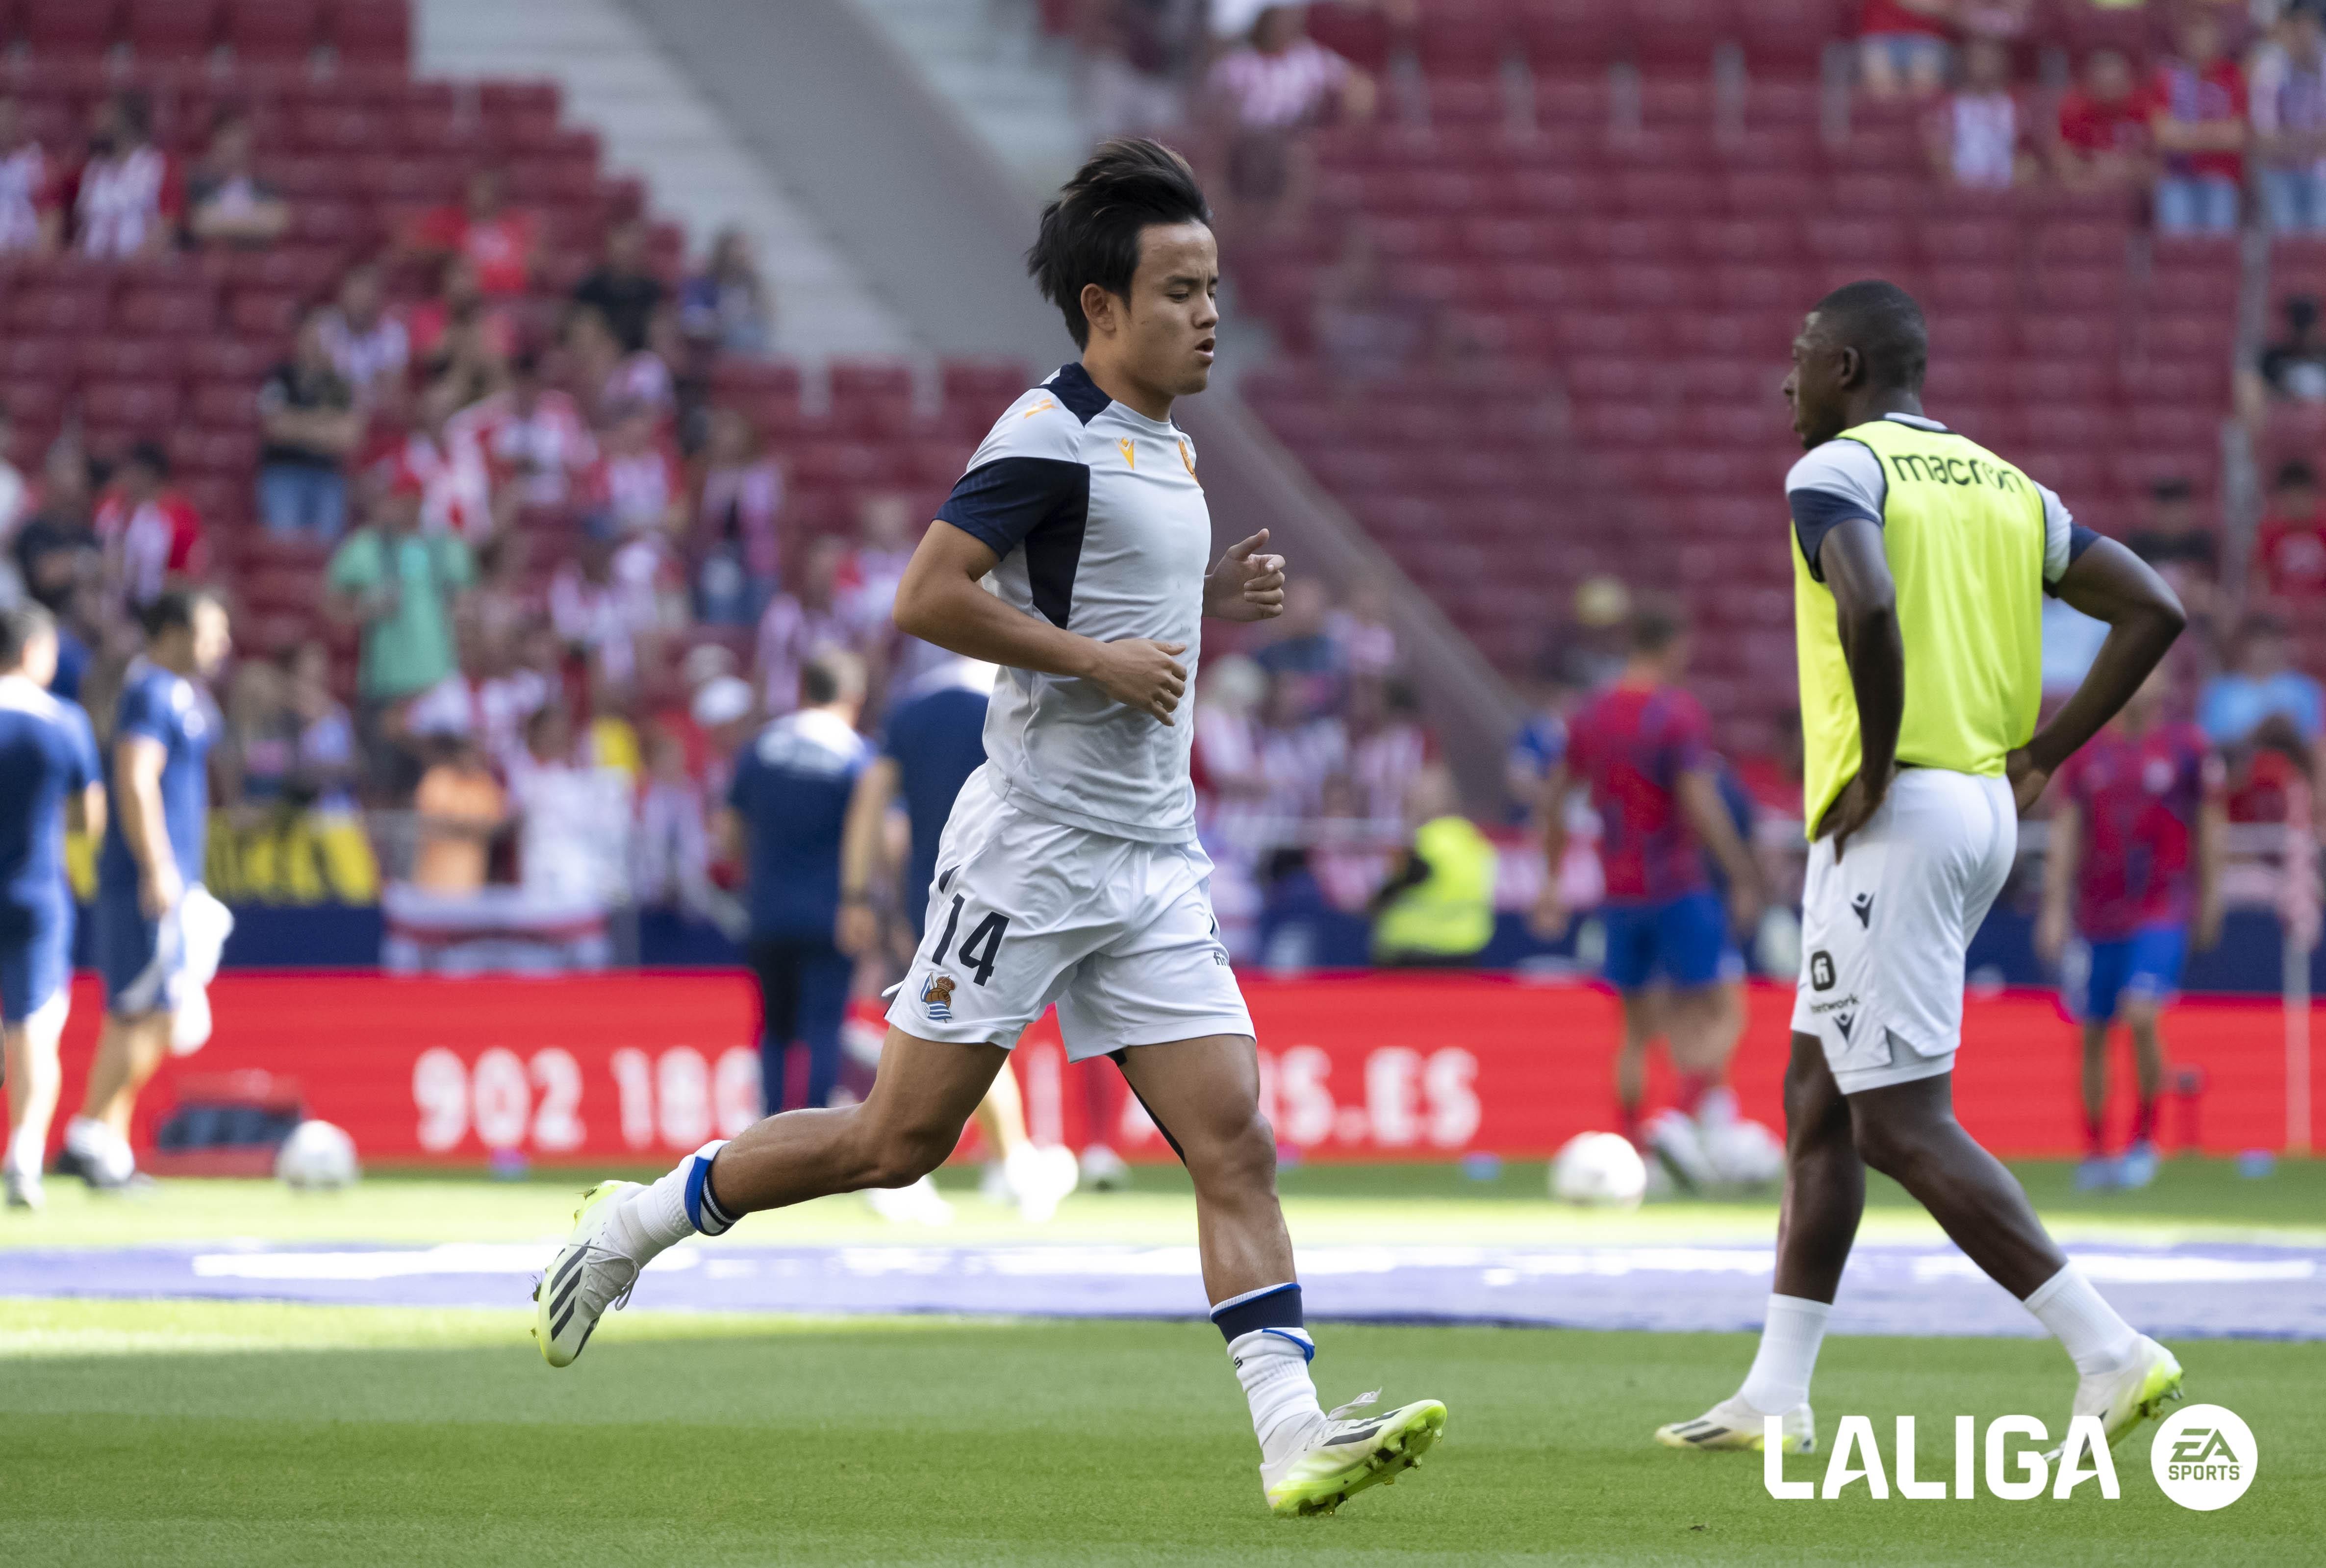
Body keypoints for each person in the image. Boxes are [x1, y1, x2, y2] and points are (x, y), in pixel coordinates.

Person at [533, 139, 1446, 1519]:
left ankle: (1292, 1433)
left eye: (1215, 287)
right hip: (1025, 851)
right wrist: (1094, 662)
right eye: (1183, 291)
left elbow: (1106, 593)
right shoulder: (1047, 434)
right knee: (895, 1142)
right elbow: (927, 595)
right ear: (1101, 308)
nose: (1210, 314)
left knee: (1234, 1137)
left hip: (1147, 859)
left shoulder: (1166, 445)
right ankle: (637, 1218)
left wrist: (1211, 594)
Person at [1655, 280, 2190, 1458]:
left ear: (1844, 367)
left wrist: (1877, 759)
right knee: (1814, 1105)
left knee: (1895, 1125)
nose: (1781, 382)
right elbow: (2150, 608)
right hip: (1981, 803)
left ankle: (2108, 1350)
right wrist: (2044, 750)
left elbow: (1870, 604)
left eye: (1798, 357)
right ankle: (1774, 1396)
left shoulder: (1835, 472)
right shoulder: (2007, 487)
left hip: (1895, 813)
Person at [837, 655, 1084, 1219]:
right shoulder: (1022, 701)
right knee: (968, 1028)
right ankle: (1004, 1163)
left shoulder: (913, 709)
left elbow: (875, 802)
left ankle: (1001, 1161)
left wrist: (864, 892)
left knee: (959, 1023)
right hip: (1011, 890)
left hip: (936, 892)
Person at [1533, 602, 1764, 1180]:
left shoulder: (1591, 714)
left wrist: (1553, 879)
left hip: (1619, 890)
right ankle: (1678, 1123)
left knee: (1635, 1030)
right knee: (1724, 1006)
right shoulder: (1675, 714)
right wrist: (1739, 872)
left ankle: (1636, 1150)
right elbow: (1699, 802)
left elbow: (1556, 798)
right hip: (1677, 883)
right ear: (1672, 646)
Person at [57, 589, 231, 1192]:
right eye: (212, 629)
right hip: (145, 884)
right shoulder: (153, 693)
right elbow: (135, 778)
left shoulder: (180, 695)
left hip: (168, 880)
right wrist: (158, 865)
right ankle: (87, 1135)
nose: (222, 644)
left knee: (149, 1013)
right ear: (173, 633)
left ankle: (110, 1147)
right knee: (142, 1011)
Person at [2036, 672, 2224, 1193]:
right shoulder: (2087, 754)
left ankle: (2144, 1139)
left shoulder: (2188, 749)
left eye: (2159, 675)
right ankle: (2096, 1149)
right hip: (2097, 913)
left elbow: (2210, 825)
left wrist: (2211, 897)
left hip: (2162, 906)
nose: (2151, 685)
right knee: (2093, 1031)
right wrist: (2054, 908)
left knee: (2142, 1012)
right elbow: (2067, 832)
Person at [721, 650, 871, 1119]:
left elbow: (728, 831)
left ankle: (765, 1133)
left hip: (767, 910)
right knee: (825, 1026)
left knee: (774, 1029)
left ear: (803, 687)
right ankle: (816, 1138)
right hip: (832, 912)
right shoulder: (856, 756)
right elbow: (874, 838)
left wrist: (757, 874)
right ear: (853, 697)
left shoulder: (762, 746)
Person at [0, 605, 103, 1208]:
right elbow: (90, 819)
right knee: (37, 1030)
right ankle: (24, 1156)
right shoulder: (64, 720)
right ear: (37, 650)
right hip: (37, 891)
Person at [1370, 763, 1495, 966]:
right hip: (1465, 952)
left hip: (1413, 955)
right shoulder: (1476, 843)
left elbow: (1392, 889)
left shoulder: (1422, 843)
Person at [257, 307, 363, 542]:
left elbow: (349, 436)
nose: (316, 342)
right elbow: (274, 427)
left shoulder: (340, 385)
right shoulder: (280, 376)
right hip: (284, 473)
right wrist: (324, 424)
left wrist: (296, 423)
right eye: (311, 334)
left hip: (327, 477)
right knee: (285, 549)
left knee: (326, 552)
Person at [2150, 11, 2248, 235]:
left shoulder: (2232, 76)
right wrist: (2215, 134)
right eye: (2194, 33)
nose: (2199, 40)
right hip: (2177, 177)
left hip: (2220, 177)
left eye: (2206, 33)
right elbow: (2163, 137)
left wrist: (2185, 133)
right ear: (2182, 39)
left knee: (2219, 250)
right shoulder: (2168, 76)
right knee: (2176, 251)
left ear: (2218, 38)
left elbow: (2237, 136)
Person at [62, 92, 179, 260]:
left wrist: (131, 267)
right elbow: (81, 227)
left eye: (107, 115)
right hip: (91, 271)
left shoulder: (159, 165)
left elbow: (168, 226)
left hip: (141, 271)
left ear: (124, 121)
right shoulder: (92, 170)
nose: (98, 122)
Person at [94, 442, 207, 614]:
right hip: (110, 595)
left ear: (148, 474)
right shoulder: (110, 506)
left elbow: (188, 575)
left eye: (131, 471)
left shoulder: (178, 514)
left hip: (163, 601)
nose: (125, 478)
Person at [2199, 613, 2325, 752]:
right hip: (2241, 766)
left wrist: (2284, 731)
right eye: (2259, 642)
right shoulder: (2222, 692)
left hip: (2293, 765)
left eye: (2270, 642)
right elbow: (2210, 743)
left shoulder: (2306, 690)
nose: (2264, 650)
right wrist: (2254, 734)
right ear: (2245, 647)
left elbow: (2317, 741)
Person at [2251, 0, 2326, 234]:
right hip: (2278, 170)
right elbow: (2265, 141)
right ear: (2288, 30)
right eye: (2299, 28)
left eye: (2310, 27)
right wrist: (2310, 142)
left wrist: (2291, 141)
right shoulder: (2269, 70)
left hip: (2317, 169)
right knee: (2285, 234)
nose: (2305, 36)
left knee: (2319, 226)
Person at [1928, 37, 2035, 190]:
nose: (1984, 66)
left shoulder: (2015, 105)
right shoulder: (1951, 105)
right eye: (1978, 59)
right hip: (1961, 186)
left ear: (2001, 62)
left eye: (1989, 60)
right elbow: (1938, 150)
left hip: (2007, 186)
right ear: (1966, 62)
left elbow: (2026, 151)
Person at [2053, 47, 2155, 196]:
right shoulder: (2075, 108)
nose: (2110, 91)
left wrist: (2128, 168)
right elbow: (2063, 160)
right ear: (2089, 84)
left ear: (2129, 82)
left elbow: (2162, 164)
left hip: (2139, 192)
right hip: (2091, 189)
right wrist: (2093, 170)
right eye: (2104, 84)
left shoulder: (2144, 106)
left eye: (2116, 83)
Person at [185, 111, 288, 249]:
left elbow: (278, 222)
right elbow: (199, 224)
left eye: (236, 137)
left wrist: (220, 222)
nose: (232, 145)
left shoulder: (265, 186)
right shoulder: (198, 186)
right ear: (215, 142)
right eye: (226, 137)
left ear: (248, 140)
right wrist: (255, 221)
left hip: (256, 262)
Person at [317, 262, 410, 407]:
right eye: (355, 292)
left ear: (378, 297)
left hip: (374, 413)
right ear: (342, 293)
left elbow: (392, 390)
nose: (360, 300)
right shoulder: (325, 326)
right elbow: (319, 381)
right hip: (332, 409)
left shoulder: (393, 333)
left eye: (366, 293)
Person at [572, 219, 667, 356]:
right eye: (622, 240)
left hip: (637, 362)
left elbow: (655, 338)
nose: (627, 249)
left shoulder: (652, 290)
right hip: (594, 359)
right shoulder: (590, 288)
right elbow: (578, 334)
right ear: (609, 245)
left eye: (632, 242)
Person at [679, 227, 773, 356]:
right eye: (738, 248)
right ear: (723, 251)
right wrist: (720, 322)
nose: (742, 255)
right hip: (711, 352)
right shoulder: (703, 282)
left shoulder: (752, 286)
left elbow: (766, 323)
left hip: (747, 354)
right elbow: (691, 319)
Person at [0, 94, 62, 256]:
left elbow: (52, 213)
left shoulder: (37, 160)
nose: (3, 126)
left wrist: (42, 255)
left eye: (8, 120)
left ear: (18, 123)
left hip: (27, 248)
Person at [1858, 0, 1955, 99]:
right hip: (1879, 36)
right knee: (1882, 92)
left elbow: (1946, 8)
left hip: (1926, 39)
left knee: (1925, 92)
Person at [2256, 459, 2326, 595]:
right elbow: (2262, 579)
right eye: (2292, 500)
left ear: (2313, 497)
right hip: (2282, 605)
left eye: (2302, 498)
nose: (2298, 506)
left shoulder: (2323, 528)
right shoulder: (2270, 532)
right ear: (2282, 501)